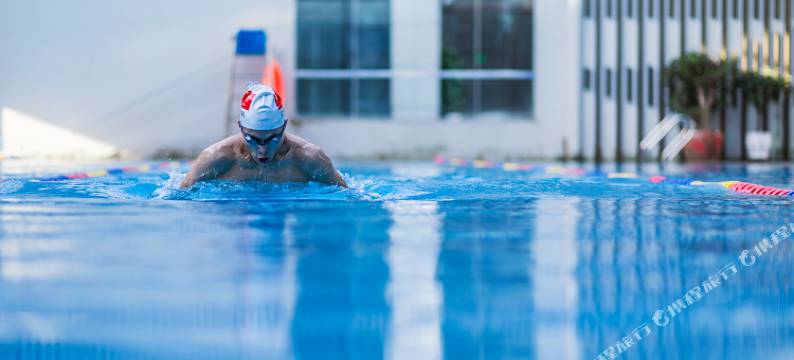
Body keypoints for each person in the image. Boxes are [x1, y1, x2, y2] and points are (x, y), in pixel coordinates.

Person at [180, 84, 347, 188]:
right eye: (252, 139)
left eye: (272, 139)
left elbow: (347, 199)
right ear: (240, 126)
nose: (262, 150)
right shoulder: (216, 157)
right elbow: (181, 198)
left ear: (284, 126)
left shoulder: (310, 158)